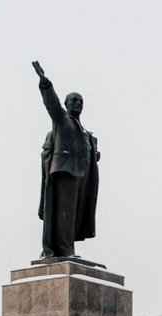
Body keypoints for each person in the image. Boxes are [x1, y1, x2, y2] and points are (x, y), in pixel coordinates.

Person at [33, 61, 100, 259]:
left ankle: (67, 247)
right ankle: (65, 250)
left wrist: (93, 156)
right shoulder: (62, 120)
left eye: (80, 101)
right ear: (66, 105)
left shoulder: (85, 132)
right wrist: (45, 84)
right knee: (65, 212)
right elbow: (51, 104)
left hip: (82, 176)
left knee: (75, 214)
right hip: (65, 172)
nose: (77, 103)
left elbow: (83, 149)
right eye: (73, 101)